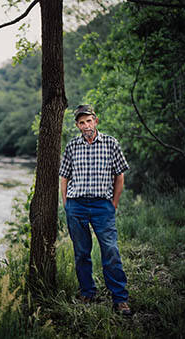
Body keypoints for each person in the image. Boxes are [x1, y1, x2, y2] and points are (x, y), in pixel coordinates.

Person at [59, 104, 131, 315]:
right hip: (77, 205)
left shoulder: (110, 143)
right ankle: (87, 292)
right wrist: (66, 203)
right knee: (81, 253)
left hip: (102, 206)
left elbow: (120, 175)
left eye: (89, 121)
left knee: (110, 251)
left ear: (96, 121)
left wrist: (113, 204)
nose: (86, 125)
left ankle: (120, 298)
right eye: (81, 122)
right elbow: (64, 176)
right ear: (77, 125)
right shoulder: (72, 146)